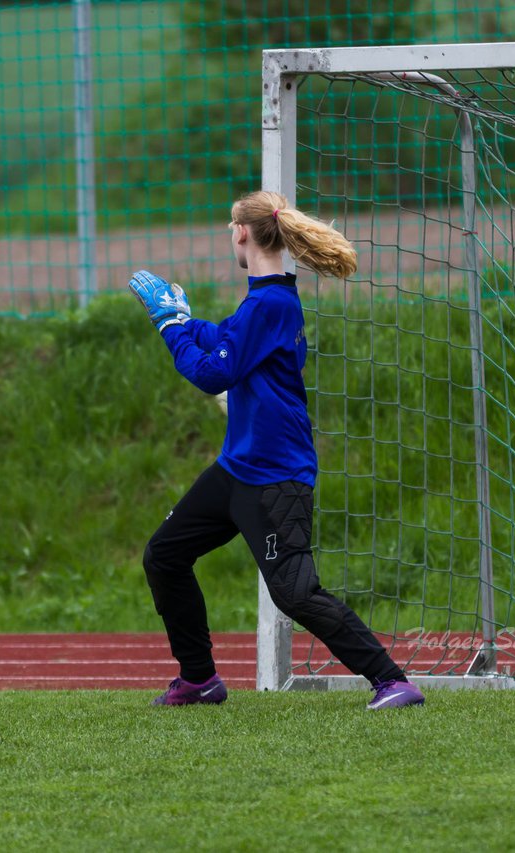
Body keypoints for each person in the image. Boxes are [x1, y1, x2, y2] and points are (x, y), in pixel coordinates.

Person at [127, 190, 424, 711]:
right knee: (165, 554)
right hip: (238, 469)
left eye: (229, 229)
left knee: (295, 592)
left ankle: (390, 680)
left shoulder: (271, 304)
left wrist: (170, 327)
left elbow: (212, 370)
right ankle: (199, 679)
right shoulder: (267, 300)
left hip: (274, 477)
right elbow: (225, 339)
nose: (229, 237)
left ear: (242, 234)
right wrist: (184, 319)